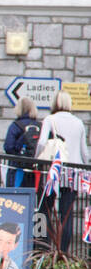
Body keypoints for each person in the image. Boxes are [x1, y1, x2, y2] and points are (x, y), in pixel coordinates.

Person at [35, 90, 90, 251]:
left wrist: (36, 159)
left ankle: (42, 247)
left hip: (54, 170)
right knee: (67, 214)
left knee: (44, 209)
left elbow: (41, 143)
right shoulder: (79, 122)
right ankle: (63, 250)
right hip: (73, 172)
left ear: (55, 103)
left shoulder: (50, 119)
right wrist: (84, 169)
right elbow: (84, 152)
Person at [3, 96, 41, 188]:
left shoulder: (15, 126)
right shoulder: (40, 126)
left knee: (15, 197)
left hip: (17, 168)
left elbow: (8, 147)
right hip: (36, 169)